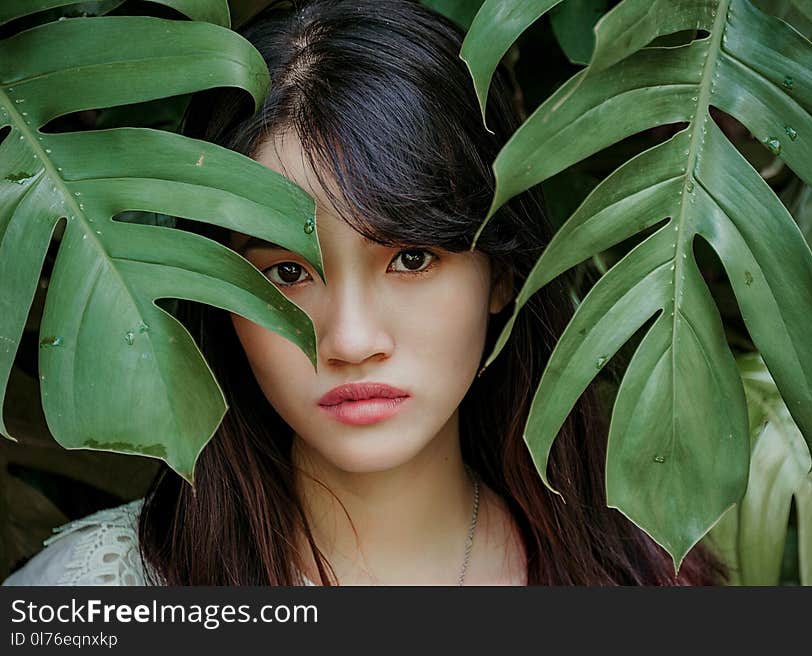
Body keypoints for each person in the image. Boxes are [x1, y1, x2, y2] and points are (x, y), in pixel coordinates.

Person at [3, 0, 727, 586]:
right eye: (285, 272)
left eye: (411, 258)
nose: (350, 340)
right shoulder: (96, 593)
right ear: (219, 291)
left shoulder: (637, 579)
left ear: (502, 273)